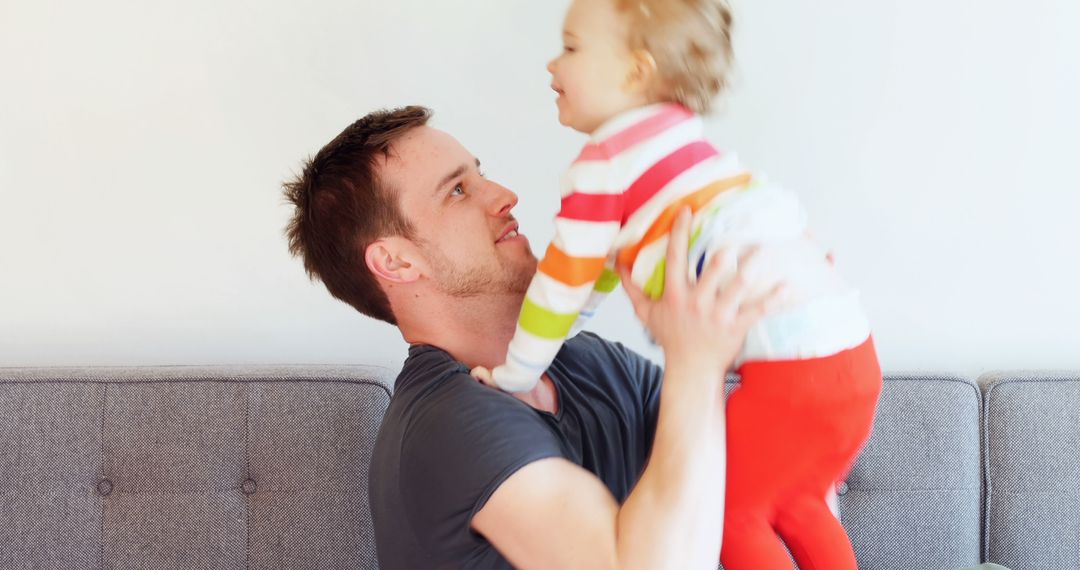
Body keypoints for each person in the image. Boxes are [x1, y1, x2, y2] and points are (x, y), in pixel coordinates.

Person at [468, 0, 882, 567]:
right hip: (853, 354)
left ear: (636, 71)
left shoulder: (605, 164)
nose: (551, 65)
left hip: (792, 369)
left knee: (732, 516)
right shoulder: (683, 146)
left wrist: (519, 372)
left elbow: (563, 284)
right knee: (799, 502)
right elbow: (595, 284)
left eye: (570, 47)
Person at [282, 105, 784, 569]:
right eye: (457, 190)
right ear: (396, 261)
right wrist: (696, 363)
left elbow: (760, 475)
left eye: (480, 173)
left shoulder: (590, 363)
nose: (503, 195)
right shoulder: (448, 425)